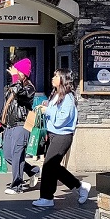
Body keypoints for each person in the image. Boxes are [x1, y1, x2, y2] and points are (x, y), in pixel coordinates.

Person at [31, 69, 91, 207]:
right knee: (52, 166)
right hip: (53, 134)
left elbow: (62, 119)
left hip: (62, 135)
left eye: (56, 76)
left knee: (48, 165)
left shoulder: (68, 97)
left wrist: (48, 111)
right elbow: (54, 114)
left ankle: (46, 197)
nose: (53, 78)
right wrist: (45, 108)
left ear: (63, 79)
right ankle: (80, 186)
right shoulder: (56, 94)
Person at [0, 58, 40, 194]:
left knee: (17, 155)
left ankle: (17, 186)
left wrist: (15, 78)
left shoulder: (29, 88)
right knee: (8, 156)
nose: (13, 72)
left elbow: (20, 94)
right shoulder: (12, 86)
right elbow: (6, 105)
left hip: (22, 125)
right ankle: (32, 170)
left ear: (23, 73)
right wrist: (0, 122)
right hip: (9, 125)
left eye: (17, 71)